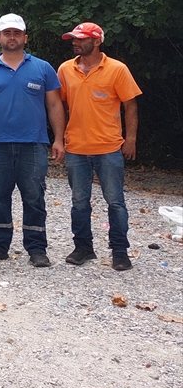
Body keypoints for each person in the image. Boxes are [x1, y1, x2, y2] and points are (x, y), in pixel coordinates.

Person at [0, 14, 65, 267]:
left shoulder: (43, 68)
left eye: (17, 33)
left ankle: (36, 248)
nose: (12, 37)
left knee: (34, 196)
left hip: (33, 143)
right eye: (7, 33)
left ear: (25, 37)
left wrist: (59, 140)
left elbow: (55, 104)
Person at [57, 22, 141, 271]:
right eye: (73, 38)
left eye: (80, 39)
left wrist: (131, 140)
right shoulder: (65, 69)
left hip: (109, 147)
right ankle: (83, 247)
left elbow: (131, 105)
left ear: (97, 41)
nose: (75, 42)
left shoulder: (117, 69)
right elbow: (59, 105)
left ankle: (119, 251)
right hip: (76, 148)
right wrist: (59, 139)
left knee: (115, 201)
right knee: (79, 201)